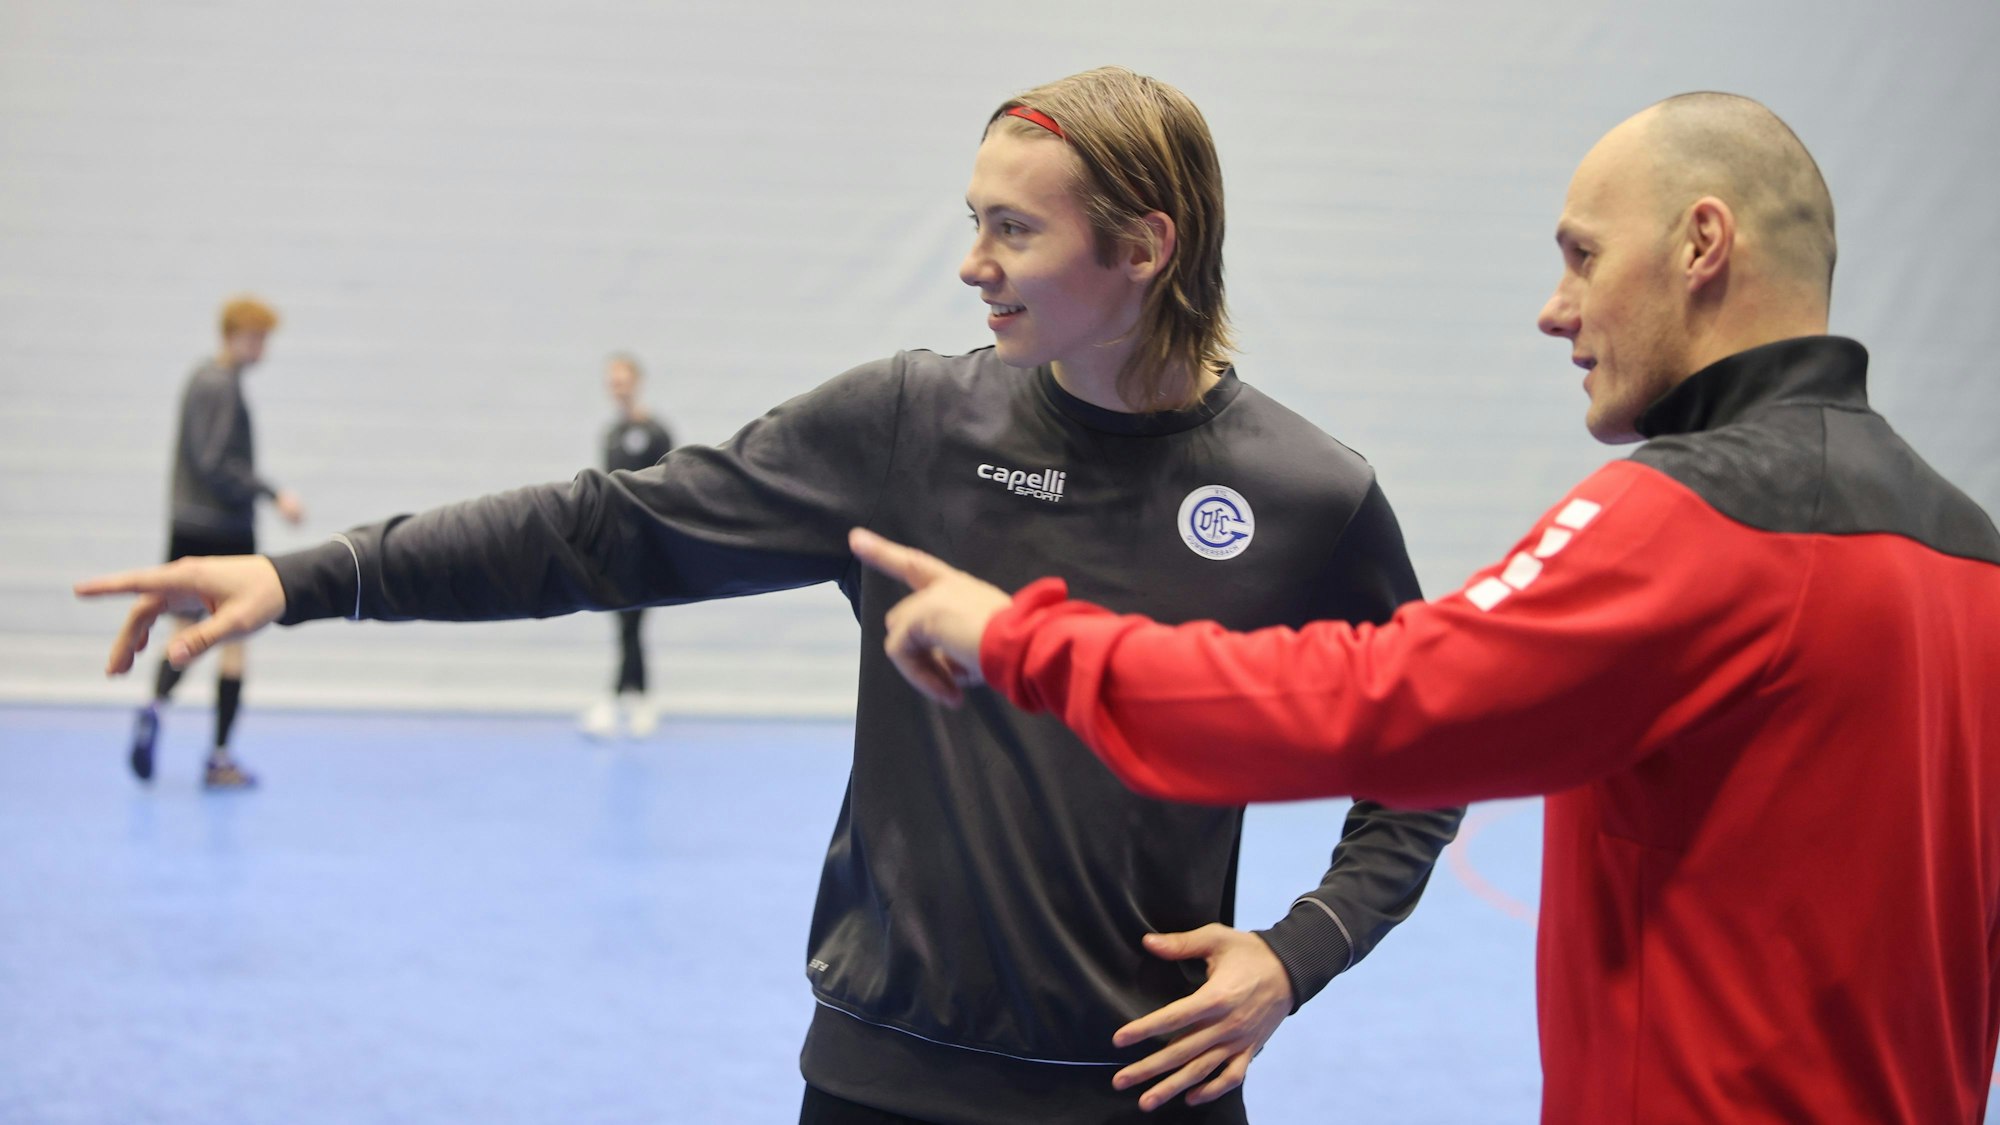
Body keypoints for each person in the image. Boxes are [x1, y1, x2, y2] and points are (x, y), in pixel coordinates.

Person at [77, 68, 1463, 1123]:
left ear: (1144, 246)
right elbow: (596, 534)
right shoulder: (907, 425)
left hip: (1147, 1089)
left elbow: (1431, 750)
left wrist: (1299, 952)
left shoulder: (1304, 494)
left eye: (1011, 231)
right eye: (970, 223)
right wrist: (301, 577)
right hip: (882, 1081)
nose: (973, 264)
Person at [851, 92, 2000, 1124]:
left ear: (1701, 244)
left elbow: (1378, 700)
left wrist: (1022, 640)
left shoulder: (1695, 527)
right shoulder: (1971, 560)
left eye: (1583, 257)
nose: (1557, 310)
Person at [128, 295, 305, 790]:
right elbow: (216, 463)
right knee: (235, 640)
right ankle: (220, 755)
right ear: (236, 336)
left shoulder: (198, 379)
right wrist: (274, 494)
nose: (263, 348)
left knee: (185, 628)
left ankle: (153, 707)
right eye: (259, 338)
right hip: (224, 528)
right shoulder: (222, 386)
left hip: (187, 524)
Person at [578, 352, 675, 740]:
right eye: (612, 382)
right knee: (625, 624)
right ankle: (635, 699)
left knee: (633, 622)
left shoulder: (656, 432)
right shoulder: (611, 435)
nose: (617, 388)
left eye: (623, 380)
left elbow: (670, 484)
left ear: (636, 381)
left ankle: (622, 699)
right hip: (617, 545)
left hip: (647, 543)